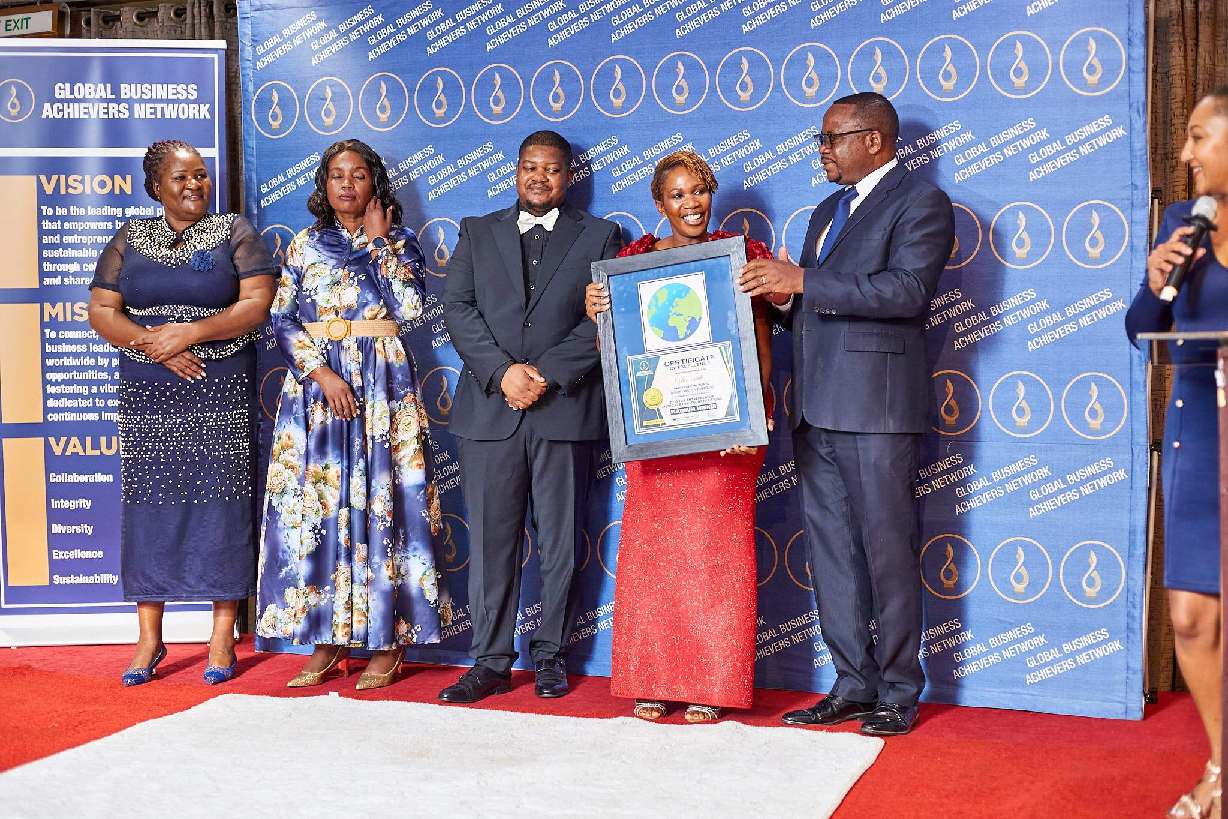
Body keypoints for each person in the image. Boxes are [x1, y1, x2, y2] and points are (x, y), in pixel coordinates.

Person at [738, 92, 954, 736]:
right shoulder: (827, 211)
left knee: (887, 551)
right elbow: (815, 306)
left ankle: (899, 690)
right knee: (832, 555)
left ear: (874, 141)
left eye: (832, 138)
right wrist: (781, 299)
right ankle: (853, 683)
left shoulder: (921, 202)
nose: (822, 150)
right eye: (821, 139)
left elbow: (907, 292)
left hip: (876, 409)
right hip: (816, 408)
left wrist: (803, 281)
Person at [582, 150, 774, 722]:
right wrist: (597, 310)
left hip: (726, 432)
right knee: (654, 556)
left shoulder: (743, 255)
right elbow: (618, 348)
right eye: (678, 195)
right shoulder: (633, 261)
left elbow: (763, 335)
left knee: (716, 556)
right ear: (660, 204)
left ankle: (711, 683)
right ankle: (653, 678)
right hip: (657, 430)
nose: (692, 203)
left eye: (699, 191)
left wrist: (754, 415)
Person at [438, 130, 620, 703]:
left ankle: (551, 656)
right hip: (490, 411)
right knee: (493, 542)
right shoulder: (476, 230)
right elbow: (457, 308)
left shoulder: (600, 235)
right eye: (529, 167)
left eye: (552, 169)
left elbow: (603, 319)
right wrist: (503, 374)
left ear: (569, 176)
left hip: (563, 409)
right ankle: (491, 660)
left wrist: (542, 374)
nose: (540, 178)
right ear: (516, 171)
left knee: (561, 543)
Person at [256, 139, 444, 691]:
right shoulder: (304, 244)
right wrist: (321, 373)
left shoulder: (401, 241)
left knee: (386, 504)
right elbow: (282, 318)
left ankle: (388, 639)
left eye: (358, 175)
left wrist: (381, 245)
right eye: (337, 175)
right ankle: (326, 636)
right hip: (317, 390)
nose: (346, 184)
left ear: (374, 184)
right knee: (319, 506)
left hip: (383, 387)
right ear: (324, 185)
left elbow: (411, 309)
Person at [88, 140, 277, 686]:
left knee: (223, 502)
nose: (195, 185)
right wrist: (156, 344)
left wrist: (190, 332)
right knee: (151, 505)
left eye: (201, 175)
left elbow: (256, 304)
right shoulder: (129, 237)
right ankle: (149, 638)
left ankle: (222, 636)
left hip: (219, 386)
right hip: (150, 389)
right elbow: (101, 309)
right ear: (156, 187)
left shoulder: (235, 232)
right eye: (181, 177)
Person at [1126, 88, 1228, 819]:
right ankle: (1223, 764)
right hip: (1201, 426)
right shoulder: (1182, 224)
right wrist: (1158, 282)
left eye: (1200, 136)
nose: (1186, 153)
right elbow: (1141, 327)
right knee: (1192, 616)